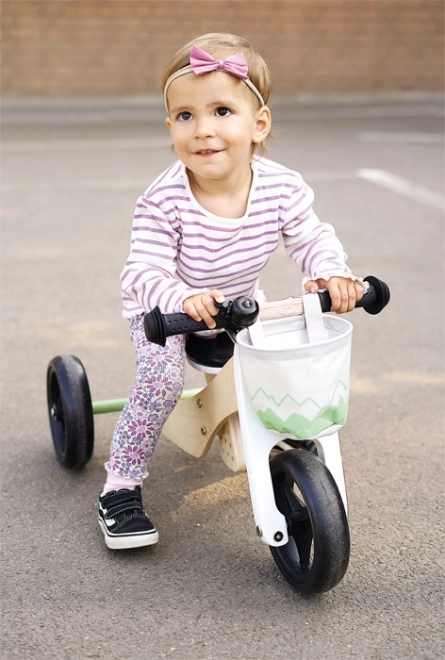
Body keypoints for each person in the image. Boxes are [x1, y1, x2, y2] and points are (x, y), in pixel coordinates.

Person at [98, 32, 364, 550]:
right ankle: (121, 487)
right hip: (165, 314)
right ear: (170, 125)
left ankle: (289, 432)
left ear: (258, 124)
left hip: (236, 310)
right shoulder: (162, 200)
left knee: (285, 358)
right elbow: (143, 269)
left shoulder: (281, 188)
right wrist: (179, 297)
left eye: (222, 111)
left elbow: (311, 237)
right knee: (160, 383)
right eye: (185, 116)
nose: (203, 130)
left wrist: (332, 273)